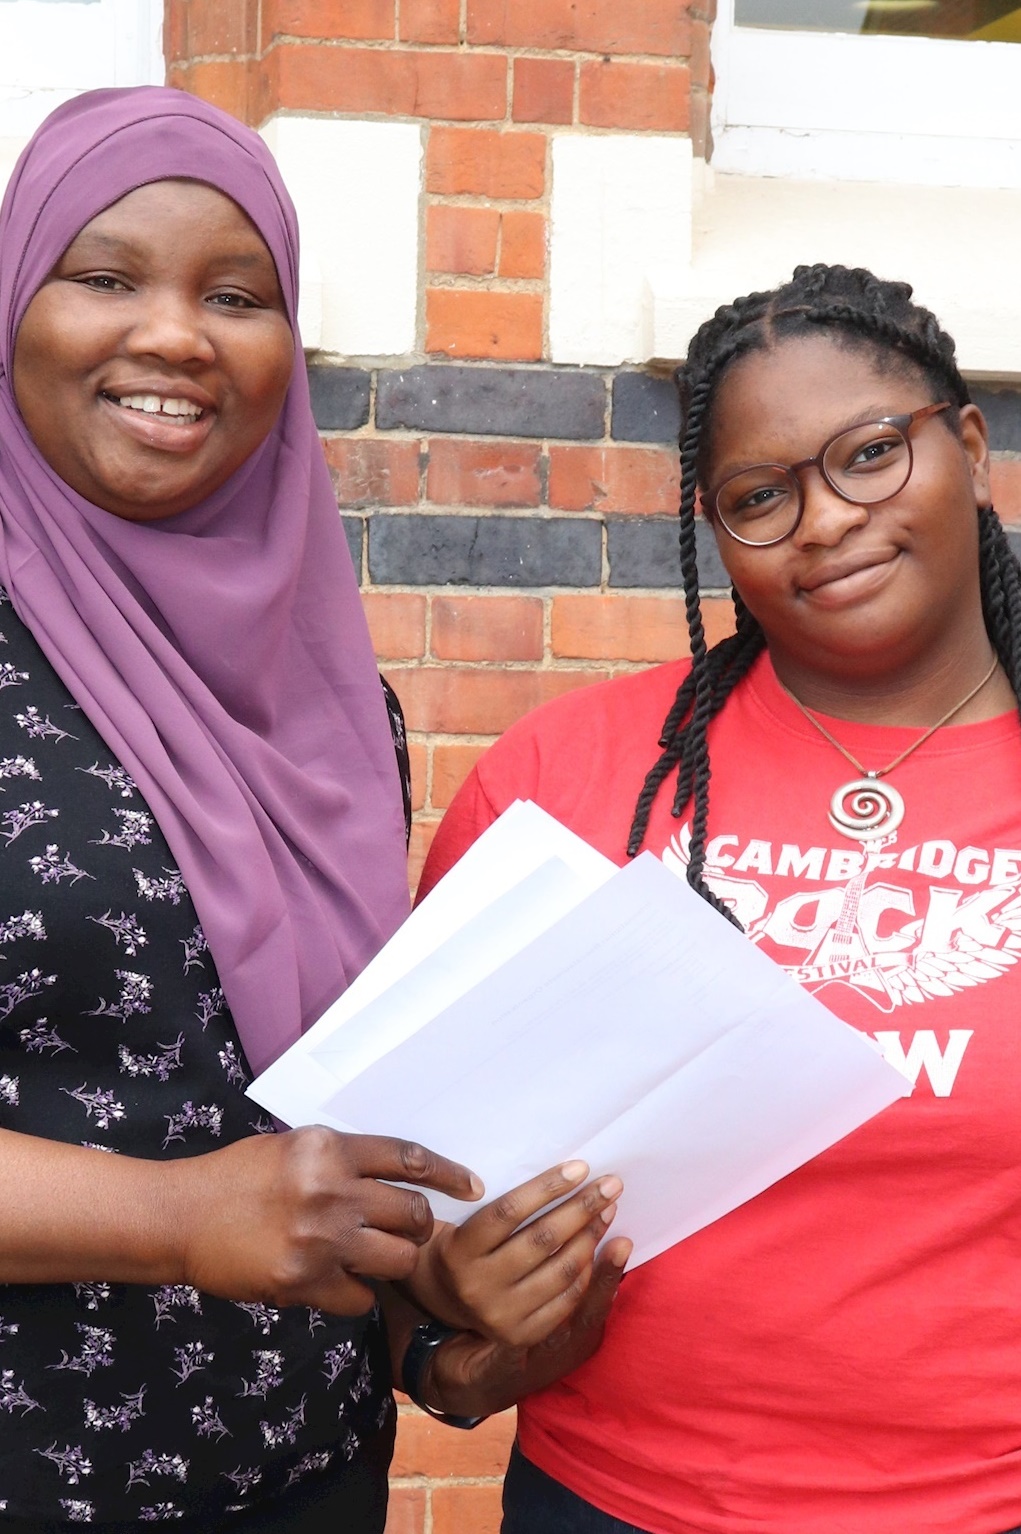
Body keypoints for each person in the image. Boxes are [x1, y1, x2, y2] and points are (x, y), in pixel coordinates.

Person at [0, 86, 628, 1532]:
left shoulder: (331, 700)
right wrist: (174, 1217)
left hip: (305, 1477)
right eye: (105, 278)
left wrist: (444, 1311)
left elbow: (316, 1109)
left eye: (237, 295)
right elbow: (223, 1196)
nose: (177, 334)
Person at [419, 263, 1021, 1534]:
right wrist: (455, 1305)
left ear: (969, 450)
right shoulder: (562, 779)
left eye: (870, 453)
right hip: (616, 1502)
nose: (826, 518)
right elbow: (412, 1181)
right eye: (759, 495)